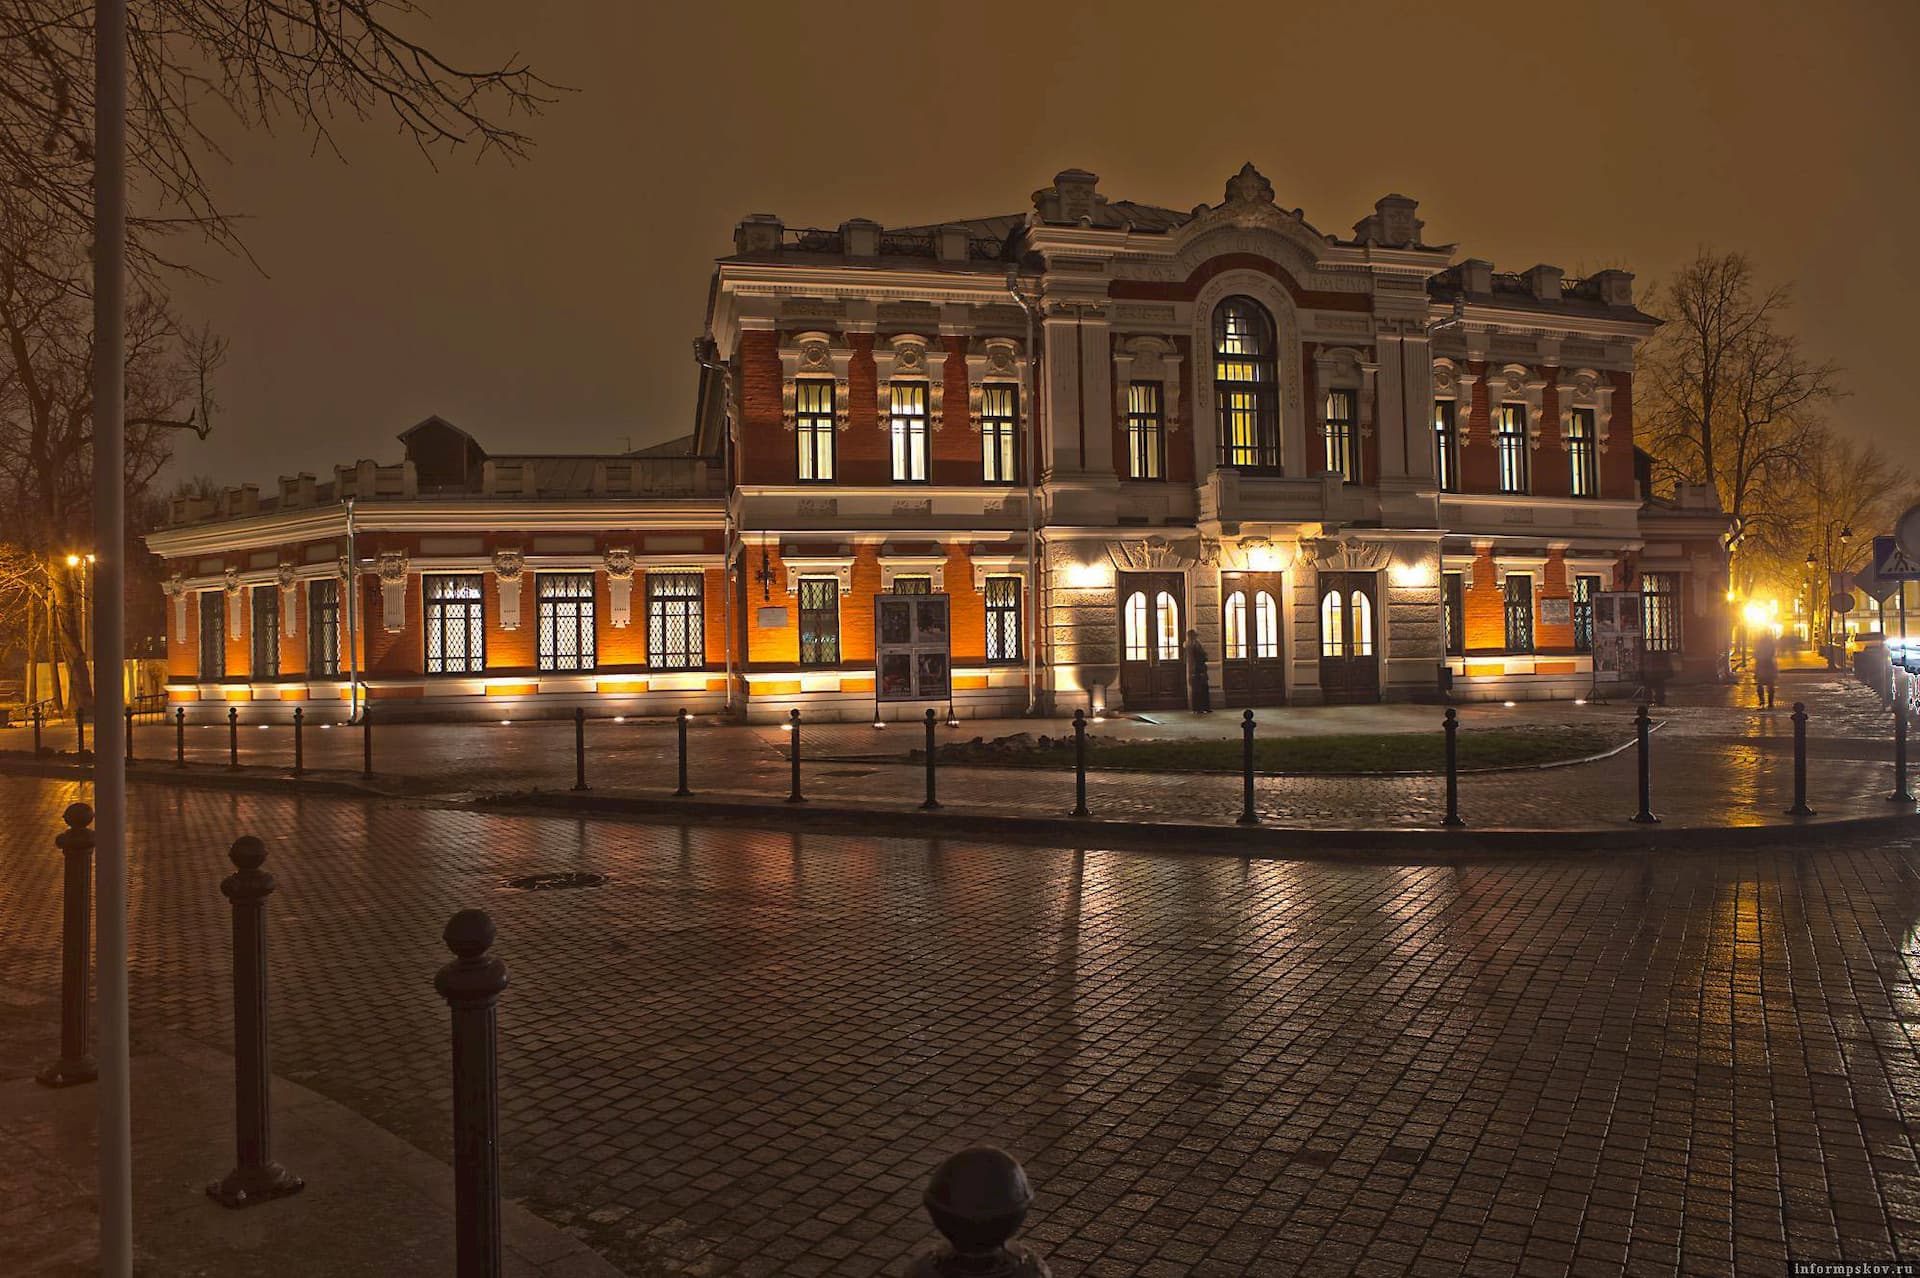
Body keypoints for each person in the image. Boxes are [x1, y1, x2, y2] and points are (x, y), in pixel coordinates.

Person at [1186, 629, 1212, 714]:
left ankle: (1203, 707)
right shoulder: (1192, 645)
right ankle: (1199, 707)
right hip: (1198, 669)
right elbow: (1195, 658)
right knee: (1198, 689)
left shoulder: (1195, 644)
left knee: (1202, 688)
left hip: (1199, 668)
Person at [1753, 628, 1779, 708]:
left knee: (1761, 685)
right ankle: (1769, 702)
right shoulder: (1770, 643)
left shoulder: (1759, 643)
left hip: (1762, 664)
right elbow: (1773, 654)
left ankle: (1762, 701)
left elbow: (1756, 654)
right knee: (1769, 685)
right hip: (1767, 664)